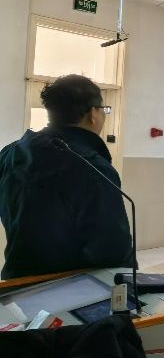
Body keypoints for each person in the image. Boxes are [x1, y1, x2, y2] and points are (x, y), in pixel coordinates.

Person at [0, 74, 132, 278]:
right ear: (93, 114)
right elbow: (112, 249)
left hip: (16, 279)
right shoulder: (93, 167)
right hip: (71, 286)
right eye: (104, 110)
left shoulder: (10, 153)